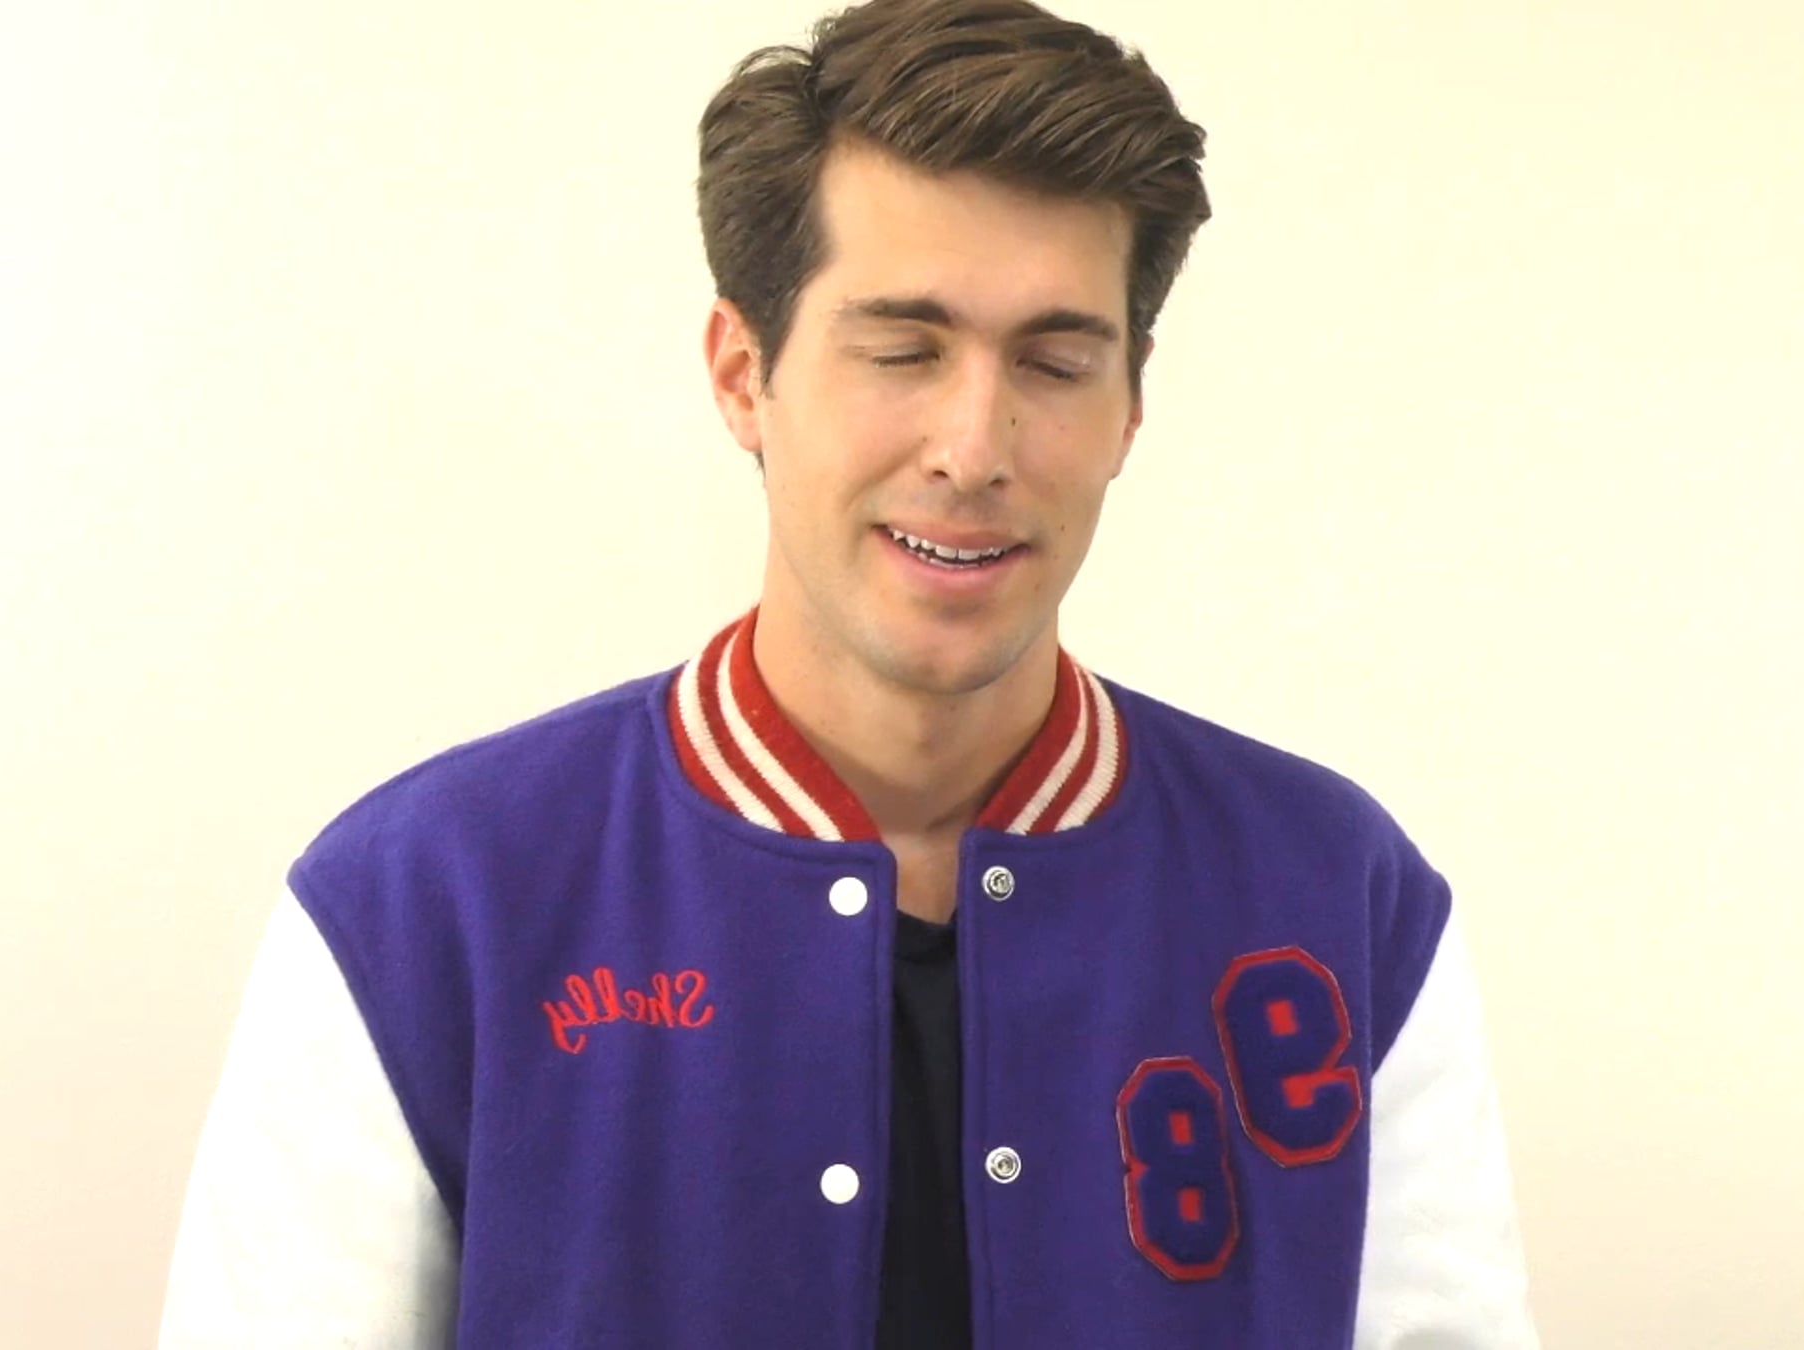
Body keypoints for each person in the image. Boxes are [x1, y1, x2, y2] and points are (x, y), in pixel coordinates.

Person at [158, 0, 1538, 1345]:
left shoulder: (1340, 895)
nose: (974, 449)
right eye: (902, 351)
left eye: (1056, 364)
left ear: (1131, 403)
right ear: (741, 372)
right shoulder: (424, 903)